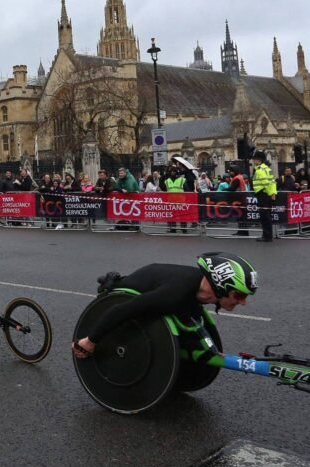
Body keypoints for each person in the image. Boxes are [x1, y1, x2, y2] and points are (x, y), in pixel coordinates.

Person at [72, 252, 258, 359]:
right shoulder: (173, 296)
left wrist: (215, 352)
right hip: (138, 287)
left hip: (160, 278)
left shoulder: (203, 291)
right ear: (220, 286)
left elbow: (197, 316)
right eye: (239, 295)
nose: (243, 302)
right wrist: (90, 341)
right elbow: (121, 310)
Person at [250, 150, 277, 242]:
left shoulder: (260, 170)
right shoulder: (267, 169)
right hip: (267, 194)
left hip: (263, 194)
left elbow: (266, 183)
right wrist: (273, 193)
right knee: (267, 215)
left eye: (255, 159)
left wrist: (270, 193)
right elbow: (272, 182)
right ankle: (267, 235)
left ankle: (267, 236)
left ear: (259, 160)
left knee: (264, 216)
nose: (253, 161)